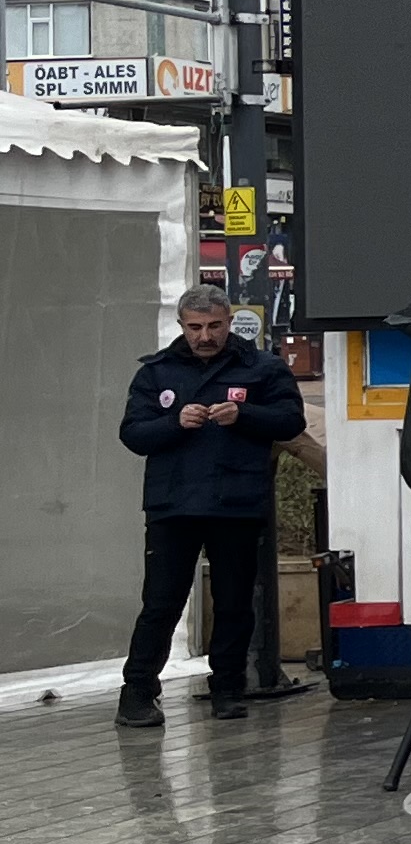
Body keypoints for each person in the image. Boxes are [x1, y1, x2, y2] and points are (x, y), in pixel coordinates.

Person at [116, 286, 307, 727]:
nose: (205, 336)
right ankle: (138, 691)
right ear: (182, 326)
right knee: (161, 602)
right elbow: (132, 434)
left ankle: (227, 688)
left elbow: (290, 420)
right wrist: (174, 422)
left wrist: (245, 416)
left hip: (236, 502)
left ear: (228, 321)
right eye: (196, 327)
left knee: (235, 601)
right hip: (173, 504)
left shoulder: (262, 368)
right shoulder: (157, 372)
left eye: (215, 326)